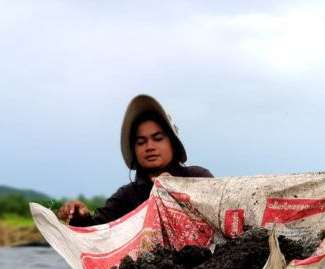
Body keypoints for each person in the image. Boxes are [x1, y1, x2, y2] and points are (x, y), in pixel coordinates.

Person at [58, 94, 213, 226]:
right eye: (141, 142)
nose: (149, 146)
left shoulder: (197, 177)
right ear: (135, 151)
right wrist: (81, 218)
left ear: (173, 145)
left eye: (158, 139)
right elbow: (97, 230)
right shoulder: (126, 197)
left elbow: (220, 214)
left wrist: (177, 191)